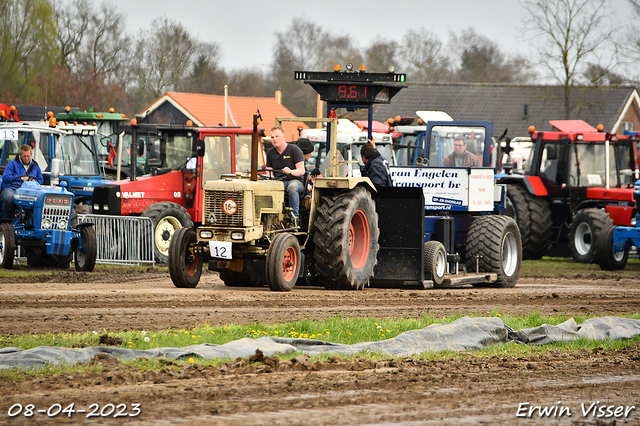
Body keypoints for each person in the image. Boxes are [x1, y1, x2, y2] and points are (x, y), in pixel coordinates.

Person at [266, 126, 305, 221]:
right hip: (278, 182)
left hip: (295, 181)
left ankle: (294, 218)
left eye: (277, 136)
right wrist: (269, 180)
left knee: (292, 187)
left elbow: (301, 170)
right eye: (272, 137)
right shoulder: (270, 152)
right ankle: (271, 218)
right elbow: (269, 172)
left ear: (284, 137)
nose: (274, 139)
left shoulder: (294, 150)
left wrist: (291, 171)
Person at [1, 144, 44, 219]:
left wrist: (35, 181)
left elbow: (41, 179)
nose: (26, 158)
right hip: (12, 188)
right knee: (9, 198)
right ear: (21, 155)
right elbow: (5, 178)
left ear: (31, 155)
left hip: (29, 190)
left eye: (28, 156)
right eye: (24, 156)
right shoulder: (12, 164)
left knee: (41, 199)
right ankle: (6, 220)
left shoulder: (35, 166)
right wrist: (20, 178)